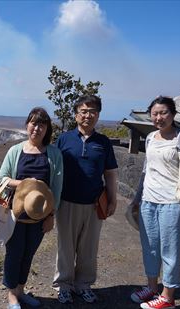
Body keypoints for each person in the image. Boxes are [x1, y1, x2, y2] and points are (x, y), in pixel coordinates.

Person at [130, 96, 180, 309]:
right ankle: (152, 288)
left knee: (170, 251)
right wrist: (137, 198)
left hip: (172, 203)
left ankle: (168, 297)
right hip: (149, 201)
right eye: (155, 113)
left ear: (173, 114)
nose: (158, 117)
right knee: (150, 248)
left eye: (163, 113)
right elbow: (147, 170)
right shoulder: (151, 138)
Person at [52, 95, 118, 304]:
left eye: (92, 111)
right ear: (76, 114)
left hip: (93, 203)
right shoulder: (64, 139)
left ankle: (83, 285)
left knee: (89, 248)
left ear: (98, 115)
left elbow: (110, 173)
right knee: (65, 247)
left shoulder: (103, 142)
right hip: (66, 203)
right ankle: (64, 285)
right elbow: (53, 169)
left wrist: (113, 198)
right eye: (83, 110)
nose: (88, 115)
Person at [0, 107, 63, 309]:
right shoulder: (15, 151)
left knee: (28, 254)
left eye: (42, 124)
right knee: (14, 253)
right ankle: (11, 296)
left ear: (47, 129)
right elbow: (2, 179)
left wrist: (51, 215)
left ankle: (21, 291)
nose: (37, 128)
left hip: (40, 217)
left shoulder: (54, 154)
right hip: (15, 216)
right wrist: (25, 183)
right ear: (27, 125)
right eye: (34, 123)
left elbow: (57, 188)